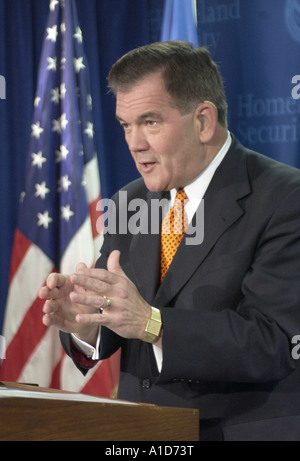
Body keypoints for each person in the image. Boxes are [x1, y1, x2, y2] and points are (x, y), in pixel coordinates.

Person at [39, 41, 300, 441]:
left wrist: (153, 323)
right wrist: (85, 323)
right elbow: (118, 317)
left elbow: (277, 342)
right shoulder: (130, 201)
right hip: (141, 436)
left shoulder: (284, 197)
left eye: (150, 122)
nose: (134, 142)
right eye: (126, 125)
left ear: (203, 122)